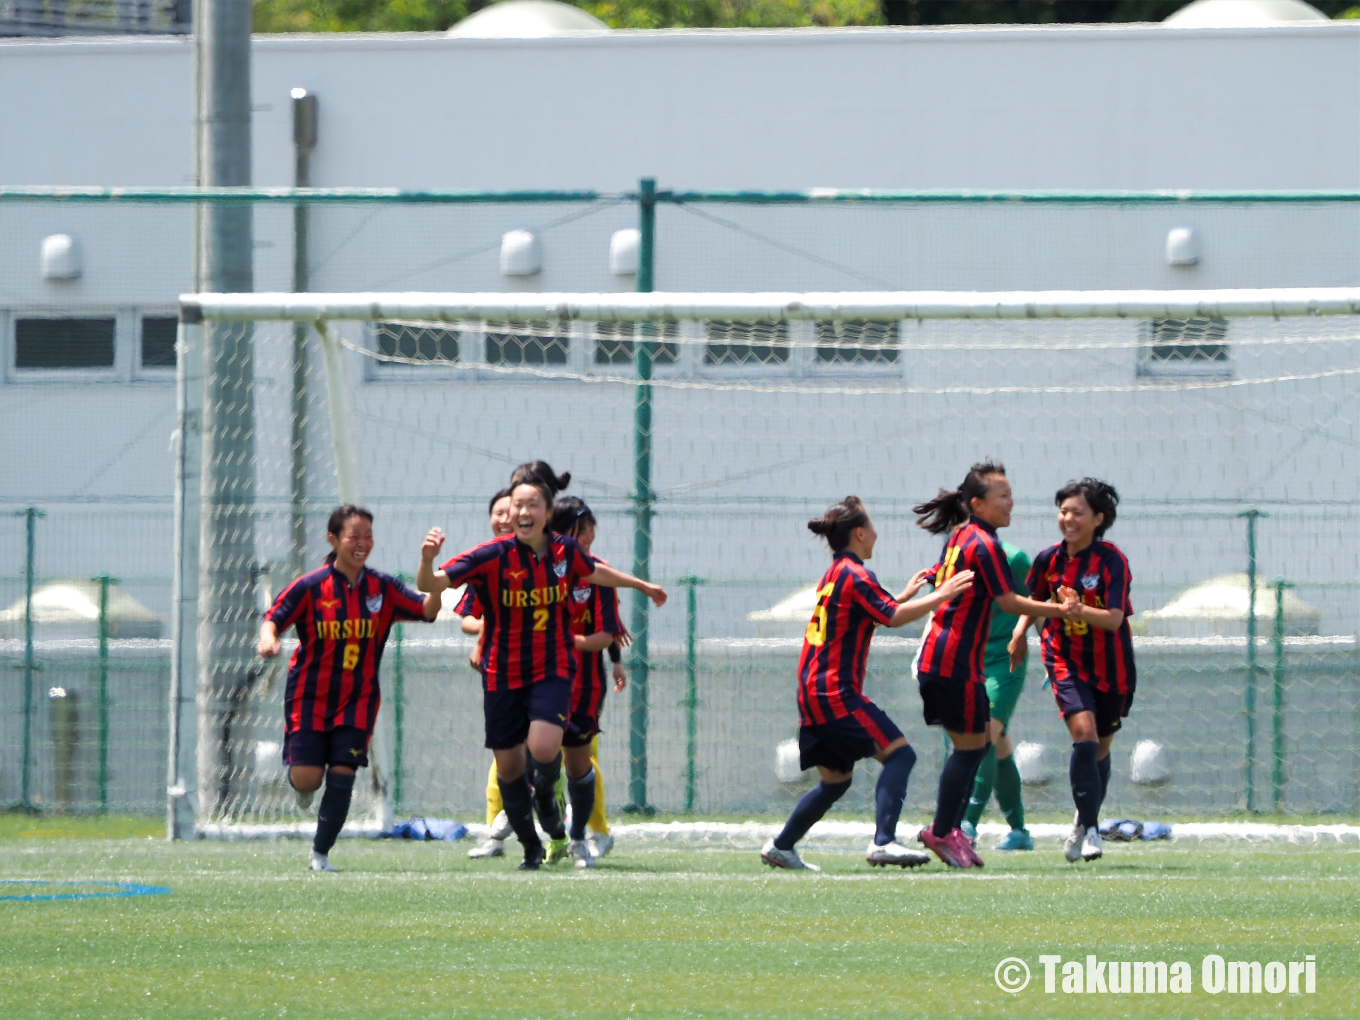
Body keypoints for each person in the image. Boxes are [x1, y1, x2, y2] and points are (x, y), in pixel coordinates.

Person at [417, 473, 666, 870]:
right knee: (510, 770)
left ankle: (552, 797)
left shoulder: (565, 552)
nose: (522, 511)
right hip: (502, 673)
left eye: (533, 504)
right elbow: (432, 584)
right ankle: (533, 846)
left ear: (547, 513)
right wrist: (428, 560)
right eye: (517, 505)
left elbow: (597, 572)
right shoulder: (491, 556)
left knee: (546, 747)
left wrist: (642, 585)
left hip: (552, 668)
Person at [760, 496, 976, 872]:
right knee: (901, 754)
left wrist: (906, 596)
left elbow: (873, 613)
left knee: (836, 781)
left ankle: (782, 845)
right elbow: (891, 617)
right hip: (834, 693)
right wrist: (941, 595)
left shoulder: (836, 573)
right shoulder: (856, 574)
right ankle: (884, 842)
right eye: (872, 526)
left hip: (812, 692)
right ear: (859, 533)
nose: (877, 533)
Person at [258, 505, 441, 872]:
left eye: (368, 537)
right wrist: (268, 639)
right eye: (354, 536)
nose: (362, 544)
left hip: (357, 700)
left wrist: (431, 572)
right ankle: (302, 784)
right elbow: (273, 618)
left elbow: (428, 610)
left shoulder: (382, 588)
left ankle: (320, 854)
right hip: (310, 697)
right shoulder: (310, 587)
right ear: (334, 539)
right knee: (307, 778)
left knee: (343, 774)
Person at [913, 462, 1077, 869]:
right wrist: (1058, 608)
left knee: (977, 744)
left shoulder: (963, 537)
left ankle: (956, 829)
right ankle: (946, 829)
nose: (1011, 501)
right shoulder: (983, 545)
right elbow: (1009, 602)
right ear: (977, 504)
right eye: (1002, 495)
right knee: (973, 746)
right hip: (953, 660)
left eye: (1010, 493)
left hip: (950, 659)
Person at [1008, 478, 1134, 864]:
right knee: (1084, 734)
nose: (1068, 518)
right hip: (1065, 661)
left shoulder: (1112, 560)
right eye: (1063, 511)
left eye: (1077, 512)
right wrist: (1018, 634)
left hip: (1112, 669)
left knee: (1100, 750)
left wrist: (1080, 611)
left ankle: (1083, 818)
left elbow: (1114, 620)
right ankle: (1095, 830)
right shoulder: (1048, 559)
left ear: (1098, 518)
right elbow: (1034, 601)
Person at [551, 495, 628, 867]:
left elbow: (606, 631)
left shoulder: (598, 572)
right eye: (580, 531)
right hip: (535, 679)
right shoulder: (530, 567)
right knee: (534, 761)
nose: (588, 536)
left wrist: (611, 658)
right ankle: (545, 832)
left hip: (583, 684)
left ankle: (578, 835)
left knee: (578, 764)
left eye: (590, 529)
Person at [960, 537, 1035, 851]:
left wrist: (1057, 661)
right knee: (998, 743)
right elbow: (944, 608)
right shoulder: (956, 556)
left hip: (1006, 658)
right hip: (966, 657)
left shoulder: (1015, 559)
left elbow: (1037, 603)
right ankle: (1019, 831)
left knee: (986, 732)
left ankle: (966, 826)